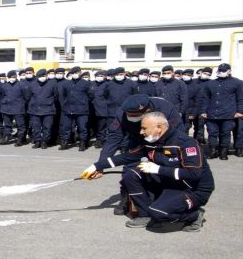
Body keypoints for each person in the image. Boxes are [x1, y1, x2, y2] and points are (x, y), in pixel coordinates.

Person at [81, 112, 214, 231]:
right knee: (131, 174)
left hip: (193, 189)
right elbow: (127, 157)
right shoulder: (152, 142)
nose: (141, 132)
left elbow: (193, 174)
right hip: (169, 183)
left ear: (159, 128)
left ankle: (194, 215)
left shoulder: (186, 143)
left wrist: (158, 169)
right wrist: (96, 166)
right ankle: (144, 214)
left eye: (144, 128)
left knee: (158, 212)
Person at [200, 63, 243, 160]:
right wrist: (203, 111)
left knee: (225, 133)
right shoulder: (210, 84)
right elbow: (206, 98)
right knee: (212, 133)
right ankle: (213, 151)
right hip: (212, 113)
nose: (221, 73)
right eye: (220, 71)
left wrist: (240, 111)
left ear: (229, 71)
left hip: (228, 114)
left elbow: (240, 98)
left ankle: (223, 152)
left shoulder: (237, 83)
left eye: (223, 71)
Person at [58, 66, 94, 151]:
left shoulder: (86, 83)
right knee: (65, 127)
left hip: (81, 110)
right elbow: (62, 95)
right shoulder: (66, 84)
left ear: (80, 73)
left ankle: (82, 143)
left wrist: (83, 102)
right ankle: (64, 143)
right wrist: (64, 104)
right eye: (73, 73)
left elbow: (91, 95)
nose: (75, 75)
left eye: (77, 73)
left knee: (82, 127)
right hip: (67, 109)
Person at [27, 69, 59, 149]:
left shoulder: (52, 84)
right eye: (40, 76)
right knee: (36, 127)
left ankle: (45, 141)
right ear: (37, 77)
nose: (42, 78)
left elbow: (56, 96)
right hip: (35, 109)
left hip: (48, 109)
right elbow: (28, 96)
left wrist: (48, 102)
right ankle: (37, 141)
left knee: (47, 127)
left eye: (44, 76)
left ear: (46, 76)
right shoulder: (32, 84)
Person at [0, 70, 29, 146]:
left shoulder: (22, 84)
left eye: (14, 77)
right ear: (8, 78)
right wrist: (3, 101)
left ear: (16, 77)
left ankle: (20, 139)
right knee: (7, 125)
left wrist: (21, 103)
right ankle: (6, 138)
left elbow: (27, 97)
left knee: (20, 125)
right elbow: (1, 96)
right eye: (10, 77)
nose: (12, 78)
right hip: (6, 108)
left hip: (18, 109)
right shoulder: (4, 85)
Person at [92, 71, 108, 148]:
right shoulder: (92, 84)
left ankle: (100, 140)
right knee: (94, 126)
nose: (100, 77)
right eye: (98, 76)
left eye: (101, 76)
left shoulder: (107, 84)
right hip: (92, 109)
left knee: (101, 126)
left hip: (102, 109)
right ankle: (96, 139)